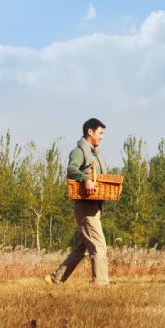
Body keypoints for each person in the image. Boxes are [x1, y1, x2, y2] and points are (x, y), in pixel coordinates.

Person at [47, 117, 111, 285]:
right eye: (100, 133)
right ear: (90, 132)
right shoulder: (79, 152)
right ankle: (101, 283)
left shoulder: (94, 153)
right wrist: (85, 179)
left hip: (94, 207)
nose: (102, 137)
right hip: (85, 207)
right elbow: (71, 169)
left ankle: (56, 278)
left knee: (82, 247)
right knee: (99, 245)